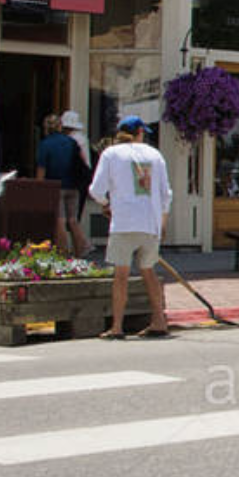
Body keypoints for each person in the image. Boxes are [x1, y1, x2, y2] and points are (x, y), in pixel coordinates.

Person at [89, 117, 171, 339]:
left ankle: (117, 326)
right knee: (149, 271)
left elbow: (96, 190)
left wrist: (106, 205)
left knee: (121, 275)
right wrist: (162, 222)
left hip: (124, 221)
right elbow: (166, 194)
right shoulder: (155, 155)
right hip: (150, 222)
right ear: (139, 133)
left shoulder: (111, 154)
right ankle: (159, 320)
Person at [34, 111, 91, 256]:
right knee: (72, 220)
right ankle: (81, 251)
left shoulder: (45, 144)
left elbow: (41, 169)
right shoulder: (72, 142)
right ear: (60, 126)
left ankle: (63, 254)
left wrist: (39, 189)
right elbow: (83, 162)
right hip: (74, 186)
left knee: (60, 220)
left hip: (55, 187)